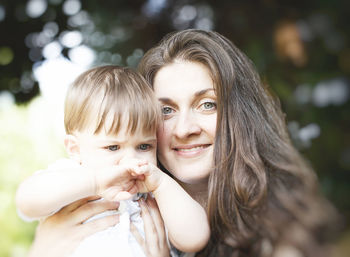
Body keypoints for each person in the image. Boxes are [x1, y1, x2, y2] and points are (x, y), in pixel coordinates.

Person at [26, 30, 338, 257]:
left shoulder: (276, 235)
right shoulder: (73, 182)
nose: (185, 129)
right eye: (166, 110)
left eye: (207, 104)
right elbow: (29, 200)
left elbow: (193, 237)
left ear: (240, 115)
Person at [16, 65, 210, 257]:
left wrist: (162, 185)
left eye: (144, 147)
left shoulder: (157, 197)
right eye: (112, 148)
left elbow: (195, 239)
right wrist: (95, 183)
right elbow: (27, 201)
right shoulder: (71, 178)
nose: (130, 160)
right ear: (76, 149)